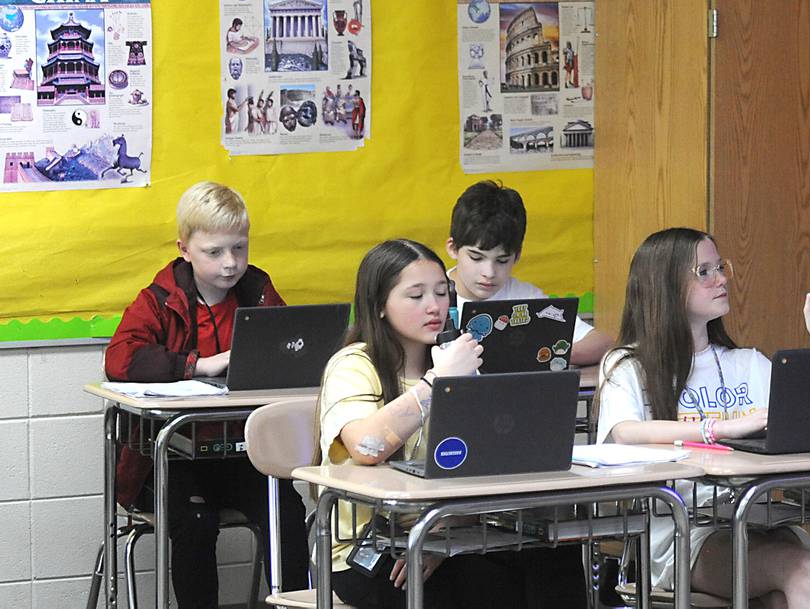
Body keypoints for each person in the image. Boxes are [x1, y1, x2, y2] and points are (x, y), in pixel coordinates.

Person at [318, 239, 584, 609]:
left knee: (555, 557)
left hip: (454, 532)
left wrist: (448, 533)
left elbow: (489, 461)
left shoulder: (462, 361)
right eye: (416, 296)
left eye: (443, 292)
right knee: (482, 586)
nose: (435, 306)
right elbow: (366, 447)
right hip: (371, 548)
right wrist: (436, 383)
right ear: (379, 305)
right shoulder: (354, 365)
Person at [595, 227, 810, 607]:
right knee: (801, 570)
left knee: (781, 596)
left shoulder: (746, 363)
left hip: (760, 520)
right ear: (665, 286)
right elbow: (624, 432)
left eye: (720, 267)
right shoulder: (628, 364)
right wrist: (719, 429)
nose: (722, 279)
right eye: (704, 272)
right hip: (685, 533)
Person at [104, 181, 308, 609]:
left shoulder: (259, 292)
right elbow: (120, 358)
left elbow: (290, 346)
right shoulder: (160, 299)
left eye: (239, 248)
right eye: (214, 252)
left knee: (286, 510)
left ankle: (292, 604)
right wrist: (199, 365)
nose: (231, 263)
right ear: (184, 249)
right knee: (196, 524)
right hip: (173, 460)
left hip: (239, 453)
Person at [445, 180, 614, 365]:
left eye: (502, 261)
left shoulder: (527, 298)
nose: (489, 272)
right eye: (476, 258)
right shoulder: (431, 298)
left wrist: (545, 353)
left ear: (517, 256)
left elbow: (602, 343)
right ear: (453, 248)